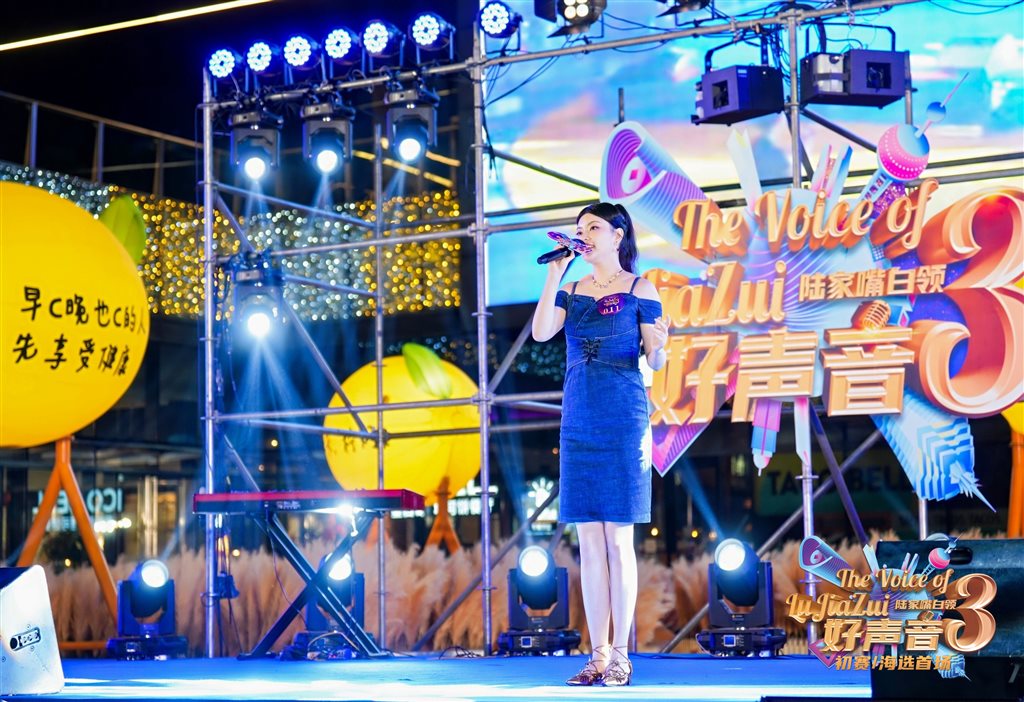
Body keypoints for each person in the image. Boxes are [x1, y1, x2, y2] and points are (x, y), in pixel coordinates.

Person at [531, 202, 668, 687]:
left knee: (617, 539)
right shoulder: (571, 289)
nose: (584, 234)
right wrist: (555, 274)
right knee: (588, 541)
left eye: (593, 227)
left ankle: (623, 655)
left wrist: (661, 346)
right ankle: (598, 654)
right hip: (580, 419)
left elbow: (655, 359)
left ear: (617, 235)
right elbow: (541, 332)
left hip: (624, 418)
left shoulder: (640, 288)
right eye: (579, 228)